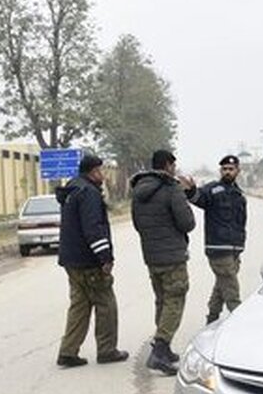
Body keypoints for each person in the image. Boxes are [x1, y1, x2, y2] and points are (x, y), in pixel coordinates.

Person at [55, 153, 128, 368]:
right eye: (101, 170)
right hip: (88, 262)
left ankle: (68, 352)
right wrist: (105, 257)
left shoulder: (72, 189)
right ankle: (107, 350)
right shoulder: (89, 193)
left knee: (79, 306)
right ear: (93, 171)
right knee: (106, 304)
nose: (104, 175)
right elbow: (93, 228)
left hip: (71, 260)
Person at [131, 149, 196, 375]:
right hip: (173, 256)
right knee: (175, 300)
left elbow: (137, 224)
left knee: (162, 300)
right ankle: (159, 350)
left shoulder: (138, 190)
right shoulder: (171, 188)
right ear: (168, 165)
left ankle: (164, 347)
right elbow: (187, 223)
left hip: (151, 255)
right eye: (174, 165)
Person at [187, 154, 248, 324]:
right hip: (218, 248)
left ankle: (212, 319)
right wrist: (191, 190)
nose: (227, 172)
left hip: (235, 249)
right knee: (231, 289)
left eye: (231, 169)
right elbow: (198, 198)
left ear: (237, 171)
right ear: (220, 170)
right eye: (224, 169)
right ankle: (240, 323)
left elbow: (241, 222)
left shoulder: (239, 194)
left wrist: (241, 245)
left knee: (222, 286)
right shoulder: (212, 190)